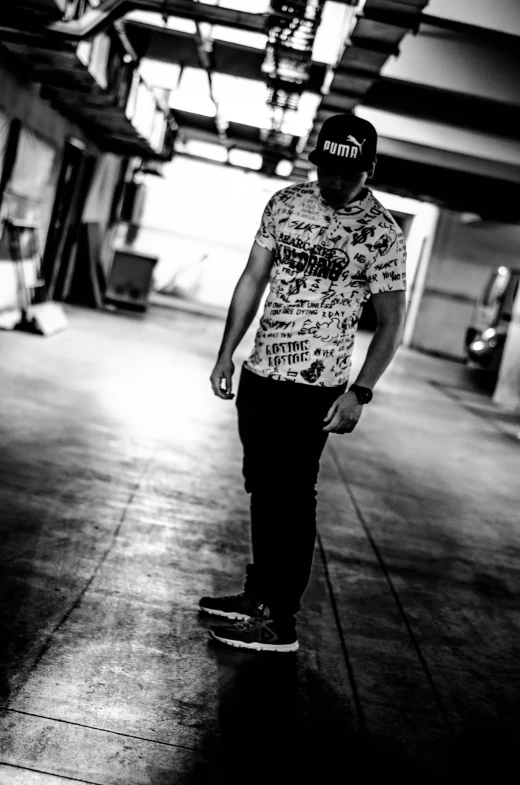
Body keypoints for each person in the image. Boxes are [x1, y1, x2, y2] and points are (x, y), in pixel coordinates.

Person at [199, 113, 407, 653]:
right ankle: (259, 595)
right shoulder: (286, 205)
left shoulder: (382, 235)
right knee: (263, 488)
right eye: (328, 171)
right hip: (261, 374)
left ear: (369, 170)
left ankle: (279, 621)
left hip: (315, 390)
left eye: (348, 174)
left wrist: (360, 391)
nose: (335, 182)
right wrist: (227, 352)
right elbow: (253, 278)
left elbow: (391, 326)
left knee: (291, 497)